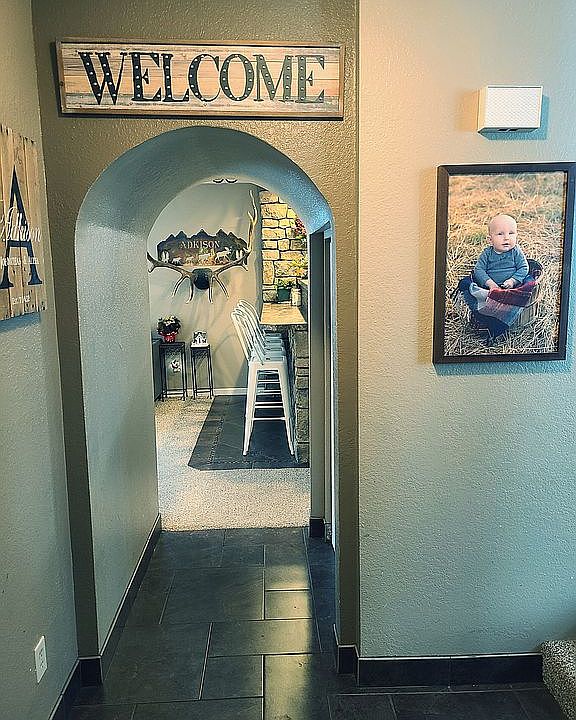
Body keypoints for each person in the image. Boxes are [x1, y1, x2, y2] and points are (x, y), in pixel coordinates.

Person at [473, 214, 529, 290]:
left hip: (514, 287)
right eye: (500, 234)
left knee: (529, 282)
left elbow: (523, 267)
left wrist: (513, 281)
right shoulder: (487, 254)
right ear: (490, 240)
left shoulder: (516, 251)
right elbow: (479, 270)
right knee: (468, 284)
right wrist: (490, 283)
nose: (506, 238)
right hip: (490, 287)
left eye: (511, 233)